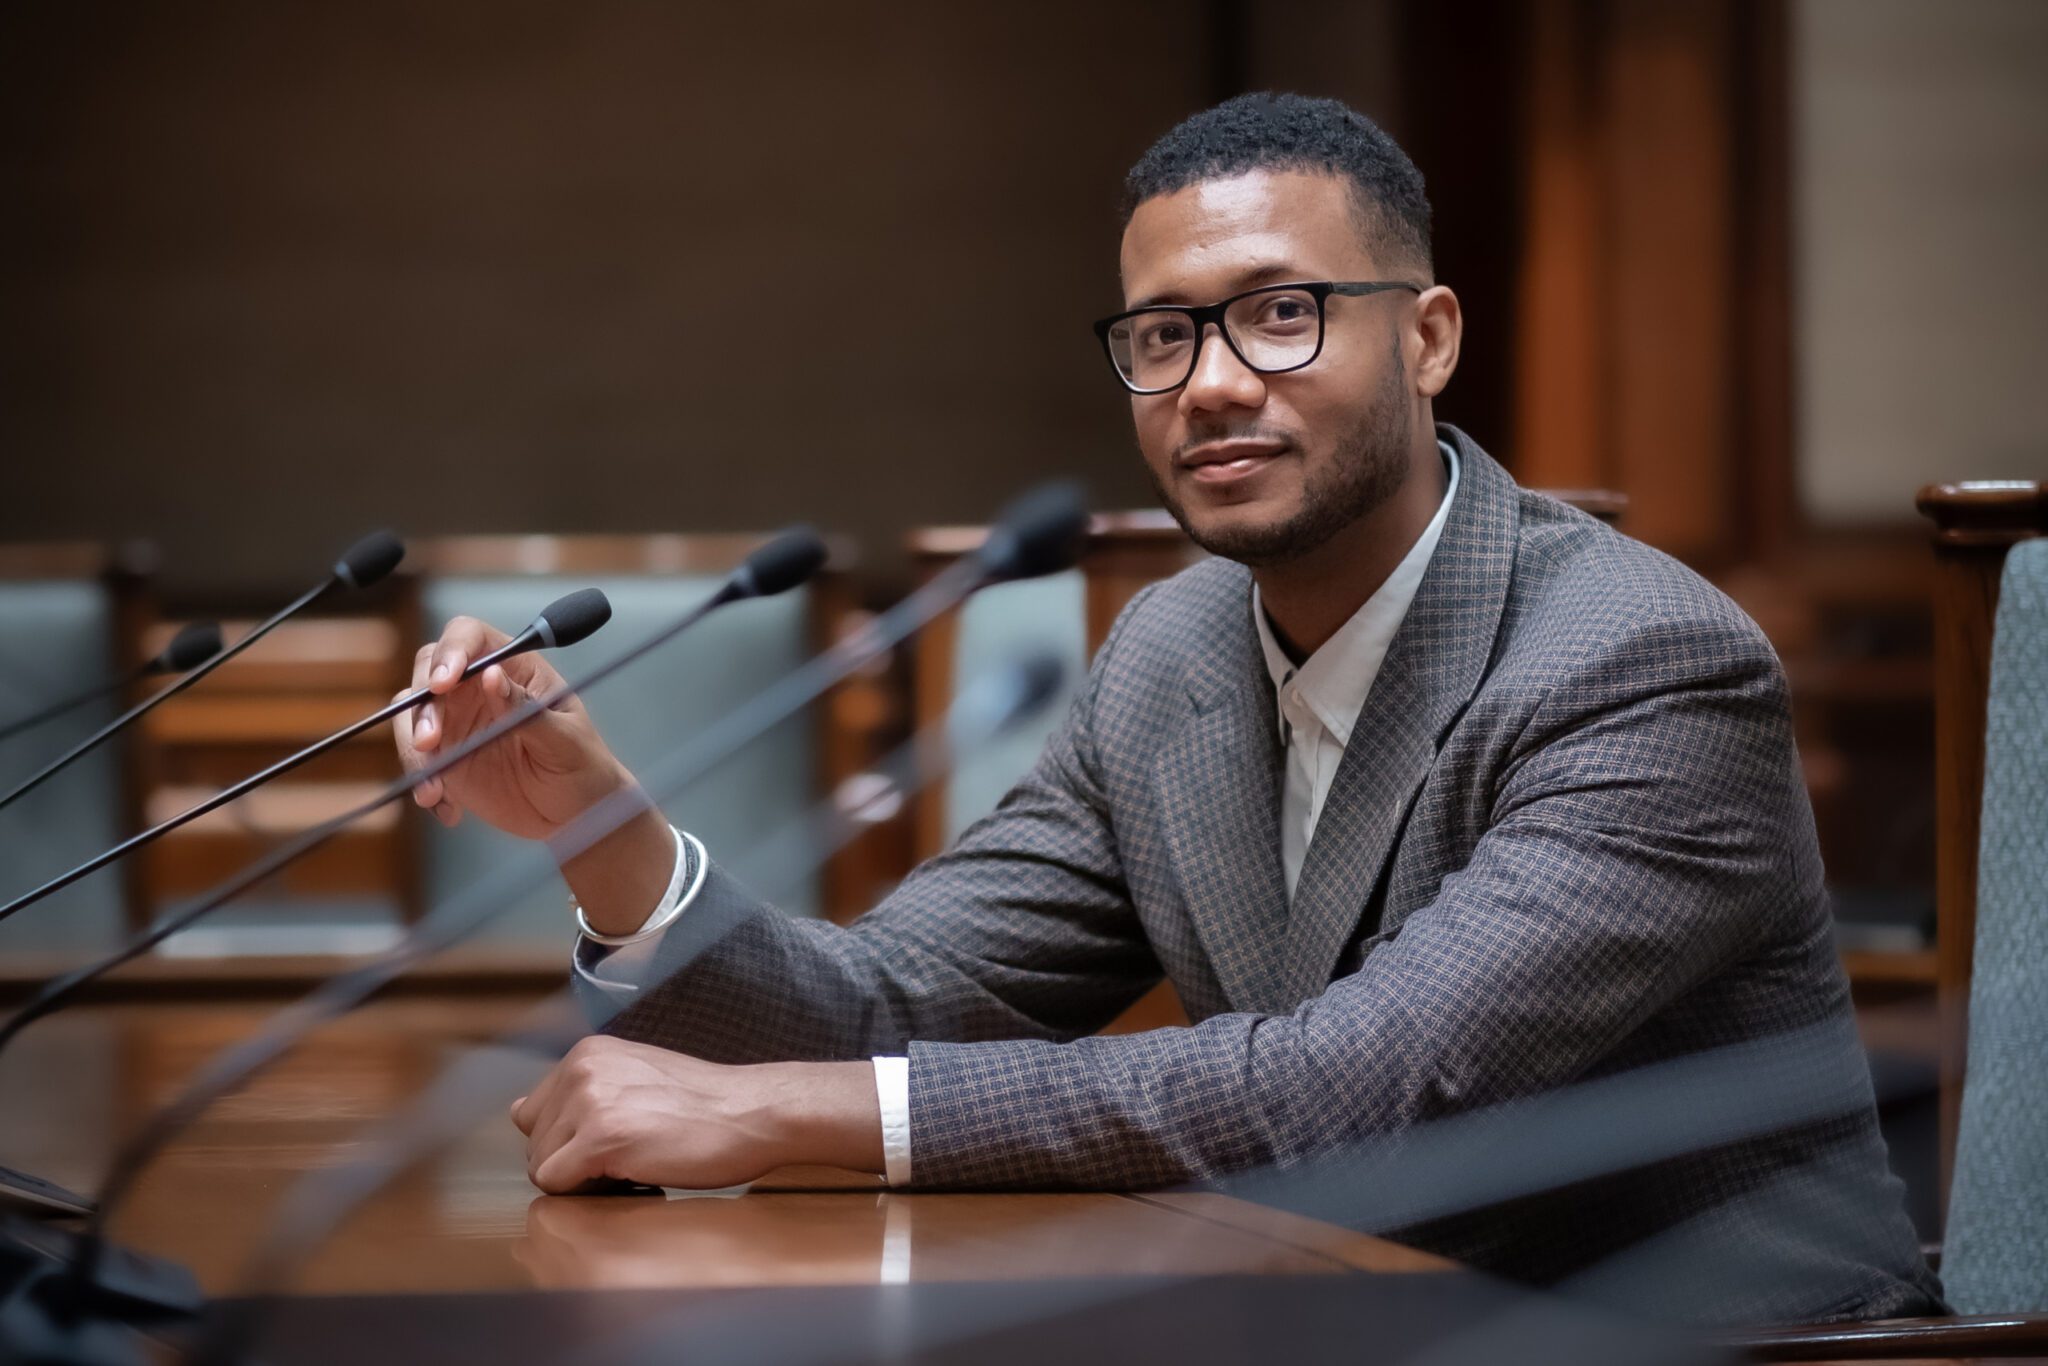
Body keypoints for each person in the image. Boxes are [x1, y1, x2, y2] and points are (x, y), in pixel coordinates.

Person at [395, 93, 1942, 1323]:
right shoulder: (1174, 654)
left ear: (1429, 337)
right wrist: (603, 829)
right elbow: (896, 1007)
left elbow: (1364, 1091)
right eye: (1162, 334)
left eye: (1280, 313)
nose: (1209, 381)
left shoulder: (1644, 660)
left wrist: (788, 1115)